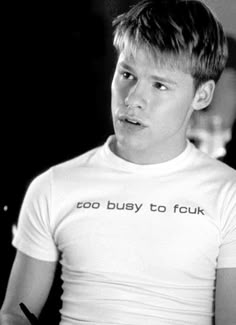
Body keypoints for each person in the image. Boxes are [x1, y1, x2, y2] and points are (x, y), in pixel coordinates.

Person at [1, 0, 236, 324]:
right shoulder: (53, 186)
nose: (132, 99)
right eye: (127, 74)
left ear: (202, 95)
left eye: (159, 84)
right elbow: (16, 312)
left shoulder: (229, 194)